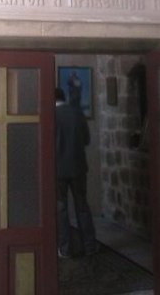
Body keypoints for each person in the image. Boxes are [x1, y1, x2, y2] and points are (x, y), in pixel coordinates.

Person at [54, 87, 99, 258]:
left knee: (61, 208)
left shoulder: (51, 115)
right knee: (82, 206)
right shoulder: (77, 113)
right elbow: (86, 139)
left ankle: (65, 248)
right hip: (78, 167)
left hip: (58, 169)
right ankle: (90, 245)